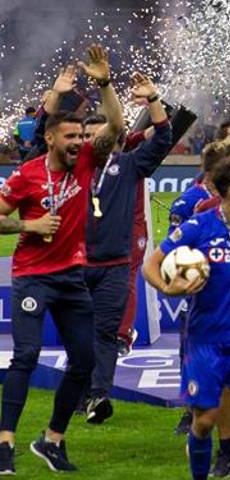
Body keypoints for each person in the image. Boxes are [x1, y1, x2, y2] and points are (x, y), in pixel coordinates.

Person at [0, 45, 122, 473]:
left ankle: (52, 439)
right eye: (70, 137)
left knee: (85, 362)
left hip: (72, 275)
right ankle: (5, 442)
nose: (78, 144)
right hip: (33, 276)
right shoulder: (26, 175)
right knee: (27, 355)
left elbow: (118, 126)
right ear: (50, 138)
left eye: (81, 137)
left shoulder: (88, 160)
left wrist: (105, 83)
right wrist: (28, 227)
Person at [145, 158, 230, 480]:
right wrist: (170, 287)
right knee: (205, 419)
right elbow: (150, 265)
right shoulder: (198, 226)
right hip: (205, 338)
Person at [81, 73, 173, 425]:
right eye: (86, 137)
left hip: (116, 258)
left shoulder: (129, 162)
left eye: (97, 135)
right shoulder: (75, 166)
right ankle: (82, 391)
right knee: (81, 334)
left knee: (105, 332)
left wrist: (153, 100)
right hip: (76, 262)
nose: (92, 141)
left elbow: (162, 136)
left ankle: (99, 394)